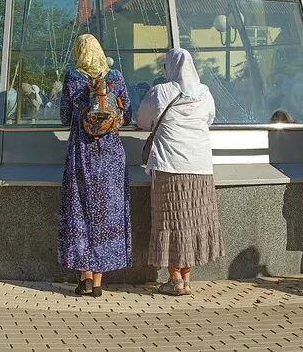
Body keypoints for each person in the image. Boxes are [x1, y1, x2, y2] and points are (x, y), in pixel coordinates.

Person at [130, 47, 221, 293]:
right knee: (192, 222)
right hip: (201, 168)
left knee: (170, 221)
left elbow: (141, 120)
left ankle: (175, 280)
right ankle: (187, 277)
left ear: (170, 68)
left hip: (170, 166)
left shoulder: (161, 92)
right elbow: (210, 119)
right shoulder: (205, 94)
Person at [59, 34, 130, 296]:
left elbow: (65, 116)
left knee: (80, 210)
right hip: (110, 154)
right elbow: (128, 113)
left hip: (82, 153)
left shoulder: (73, 78)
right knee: (107, 215)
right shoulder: (116, 78)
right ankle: (99, 282)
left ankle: (84, 277)